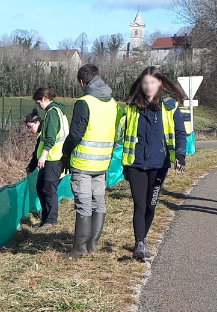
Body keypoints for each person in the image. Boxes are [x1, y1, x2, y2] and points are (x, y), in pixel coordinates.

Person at [118, 66, 189, 261]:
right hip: (135, 163)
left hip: (159, 164)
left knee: (151, 205)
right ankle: (139, 243)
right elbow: (122, 135)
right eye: (145, 83)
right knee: (139, 204)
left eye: (152, 82)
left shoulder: (170, 106)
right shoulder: (132, 108)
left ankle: (143, 238)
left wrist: (180, 155)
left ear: (160, 83)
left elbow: (180, 133)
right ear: (141, 85)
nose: (148, 86)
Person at [61, 64, 120, 257]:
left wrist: (65, 152)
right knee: (98, 202)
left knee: (84, 204)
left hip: (83, 163)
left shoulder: (84, 102)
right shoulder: (112, 103)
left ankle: (79, 249)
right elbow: (117, 132)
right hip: (102, 163)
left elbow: (75, 134)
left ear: (81, 82)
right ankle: (92, 245)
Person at [31, 88, 69, 227]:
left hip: (53, 158)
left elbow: (51, 138)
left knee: (48, 190)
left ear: (45, 98)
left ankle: (51, 220)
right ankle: (45, 219)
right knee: (41, 187)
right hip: (52, 158)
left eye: (38, 102)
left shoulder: (53, 113)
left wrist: (43, 155)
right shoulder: (55, 112)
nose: (38, 106)